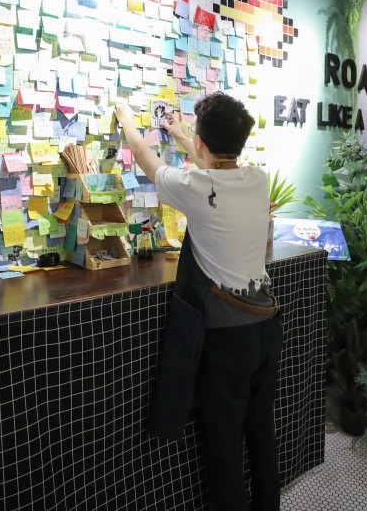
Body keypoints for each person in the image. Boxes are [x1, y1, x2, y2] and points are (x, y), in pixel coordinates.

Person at [114, 93, 282, 511]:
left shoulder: (194, 187)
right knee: (261, 431)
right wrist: (180, 134)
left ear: (202, 142)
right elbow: (215, 165)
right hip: (266, 327)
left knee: (224, 444)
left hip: (226, 338)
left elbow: (143, 156)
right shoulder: (257, 179)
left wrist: (125, 117)